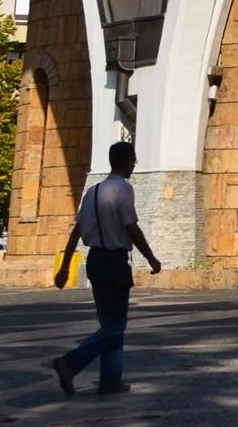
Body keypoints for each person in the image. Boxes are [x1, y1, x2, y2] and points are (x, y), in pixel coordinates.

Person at [47, 141, 162, 396]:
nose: (134, 164)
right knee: (115, 325)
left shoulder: (93, 191)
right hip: (114, 261)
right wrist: (152, 258)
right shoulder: (123, 189)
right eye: (133, 160)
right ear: (127, 161)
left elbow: (76, 232)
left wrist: (64, 267)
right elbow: (131, 227)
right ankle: (70, 363)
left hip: (95, 260)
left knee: (109, 324)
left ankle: (110, 380)